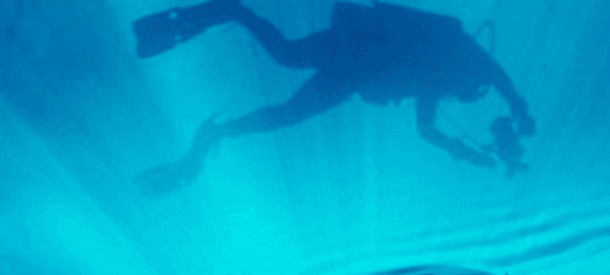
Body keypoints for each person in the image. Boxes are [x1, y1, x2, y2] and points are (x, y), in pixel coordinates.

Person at [133, 0, 535, 195]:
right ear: (464, 80)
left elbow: (427, 130)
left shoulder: (434, 79)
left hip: (354, 70)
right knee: (287, 61)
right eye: (462, 93)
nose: (455, 96)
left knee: (290, 100)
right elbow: (494, 73)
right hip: (355, 48)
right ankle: (234, 12)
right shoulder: (454, 51)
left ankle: (217, 133)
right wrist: (517, 107)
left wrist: (464, 152)